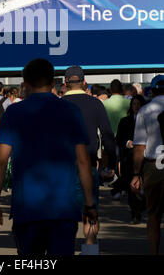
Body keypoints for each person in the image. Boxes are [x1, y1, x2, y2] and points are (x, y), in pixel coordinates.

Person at [0, 58, 97, 256]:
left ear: (25, 83)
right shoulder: (70, 111)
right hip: (63, 208)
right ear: (52, 82)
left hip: (27, 208)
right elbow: (82, 161)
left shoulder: (14, 112)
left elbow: (1, 160)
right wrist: (89, 203)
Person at [63, 65, 116, 244]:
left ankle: (65, 247)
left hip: (63, 168)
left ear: (65, 83)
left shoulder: (58, 104)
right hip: (90, 164)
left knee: (65, 216)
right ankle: (90, 247)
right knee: (90, 210)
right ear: (85, 82)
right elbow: (108, 135)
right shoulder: (95, 103)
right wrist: (112, 164)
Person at [131, 75, 164, 255]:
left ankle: (154, 252)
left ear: (152, 90)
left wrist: (136, 174)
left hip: (154, 165)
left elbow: (139, 147)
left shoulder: (145, 110)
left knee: (153, 215)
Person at [116, 95, 146, 224]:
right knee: (131, 187)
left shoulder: (148, 120)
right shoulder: (125, 121)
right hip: (129, 158)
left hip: (145, 158)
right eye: (134, 104)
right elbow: (119, 139)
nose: (136, 107)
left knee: (145, 186)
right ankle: (135, 213)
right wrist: (127, 142)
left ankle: (142, 208)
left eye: (138, 104)